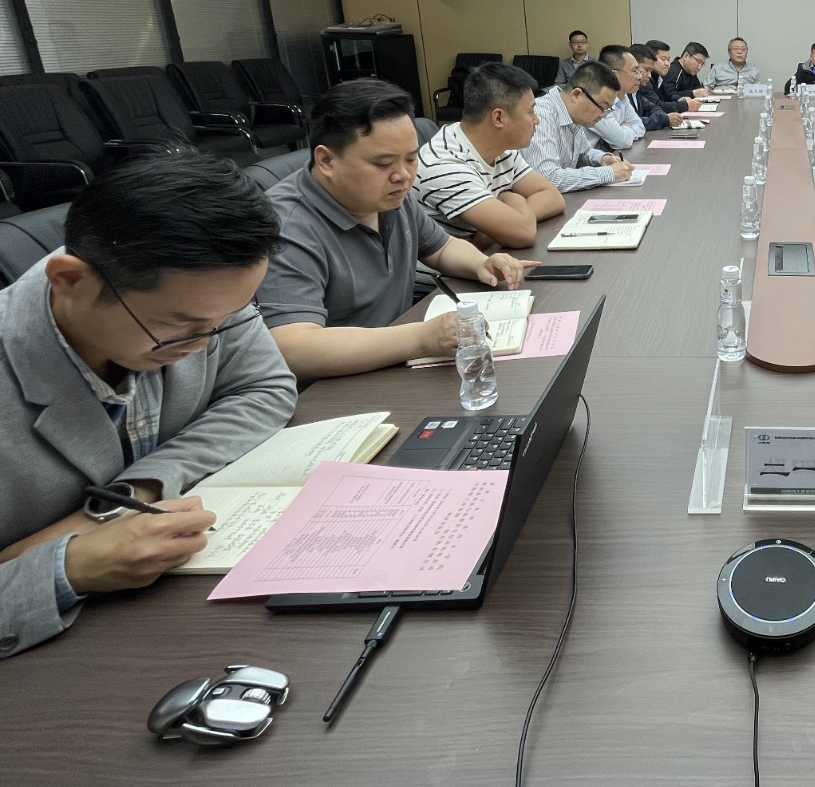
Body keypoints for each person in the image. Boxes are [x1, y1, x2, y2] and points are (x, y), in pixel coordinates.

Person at [0, 154, 296, 658]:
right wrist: (67, 568)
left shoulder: (201, 294)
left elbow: (265, 387)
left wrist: (140, 487)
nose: (203, 344)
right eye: (180, 327)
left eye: (225, 319)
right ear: (70, 280)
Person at [260, 77, 539, 380]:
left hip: (393, 362)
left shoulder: (388, 195)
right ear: (326, 160)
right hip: (335, 386)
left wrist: (481, 264)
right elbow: (293, 347)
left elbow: (441, 247)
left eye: (411, 158)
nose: (404, 176)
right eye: (383, 163)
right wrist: (421, 338)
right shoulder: (286, 226)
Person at [411, 63, 565, 245]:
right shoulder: (444, 165)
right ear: (498, 118)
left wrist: (500, 225)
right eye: (531, 111)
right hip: (447, 263)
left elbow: (553, 197)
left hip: (486, 254)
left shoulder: (501, 149)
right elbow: (524, 234)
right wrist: (512, 198)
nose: (536, 120)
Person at [523, 61, 634, 192]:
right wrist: (609, 173)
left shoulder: (572, 114)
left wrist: (603, 159)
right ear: (576, 95)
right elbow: (548, 178)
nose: (603, 116)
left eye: (608, 109)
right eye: (602, 108)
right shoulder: (541, 116)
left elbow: (584, 152)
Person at [588, 44, 647, 150]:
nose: (639, 77)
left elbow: (640, 127)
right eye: (635, 71)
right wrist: (626, 127)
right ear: (614, 75)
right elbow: (622, 142)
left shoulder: (622, 96)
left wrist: (622, 130)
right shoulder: (596, 100)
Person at [629, 43, 682, 131]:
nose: (649, 75)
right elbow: (633, 123)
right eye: (647, 70)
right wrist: (664, 119)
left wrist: (664, 117)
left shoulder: (636, 91)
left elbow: (654, 107)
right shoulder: (622, 94)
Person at [640, 40, 701, 114]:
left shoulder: (658, 78)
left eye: (668, 59)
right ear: (650, 59)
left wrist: (681, 99)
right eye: (663, 59)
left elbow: (668, 95)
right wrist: (685, 105)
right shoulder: (645, 80)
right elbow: (656, 105)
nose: (667, 64)